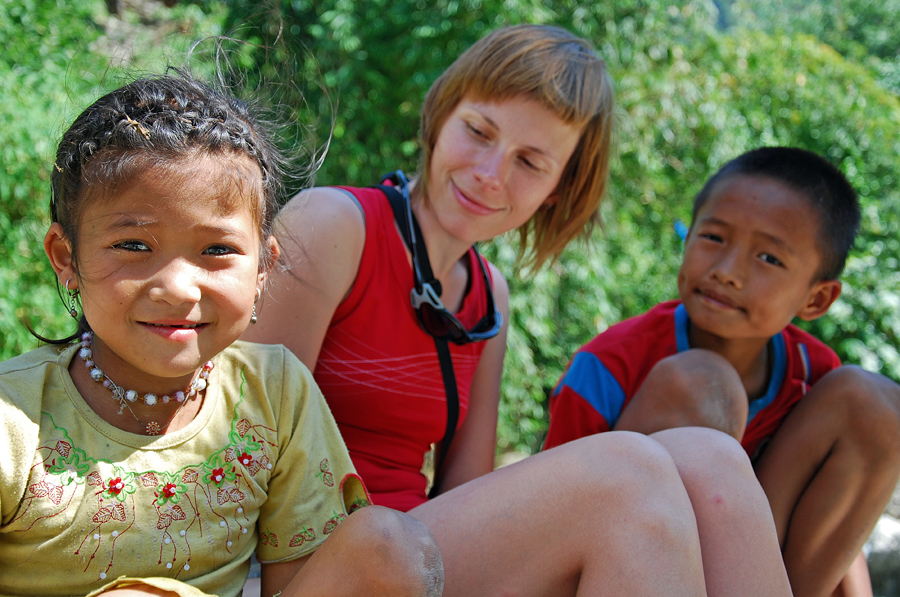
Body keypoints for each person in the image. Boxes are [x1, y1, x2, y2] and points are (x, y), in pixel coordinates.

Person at [245, 25, 794, 595]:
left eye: (530, 162)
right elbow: (238, 444)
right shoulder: (334, 225)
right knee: (628, 471)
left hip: (415, 556)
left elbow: (465, 492)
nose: (490, 174)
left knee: (711, 457)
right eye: (478, 132)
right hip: (311, 566)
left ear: (557, 188)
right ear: (442, 114)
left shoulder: (489, 295)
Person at [0, 71, 445, 597]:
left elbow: (302, 583)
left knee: (391, 545)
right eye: (133, 246)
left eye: (217, 250)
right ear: (66, 258)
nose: (177, 289)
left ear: (263, 268)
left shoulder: (272, 391)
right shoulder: (13, 418)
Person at [544, 146, 900, 597]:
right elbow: (550, 522)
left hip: (765, 580)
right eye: (713, 237)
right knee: (701, 384)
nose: (727, 271)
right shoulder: (608, 367)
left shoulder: (815, 377)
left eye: (769, 258)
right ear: (688, 238)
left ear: (817, 299)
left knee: (875, 401)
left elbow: (843, 545)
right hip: (629, 574)